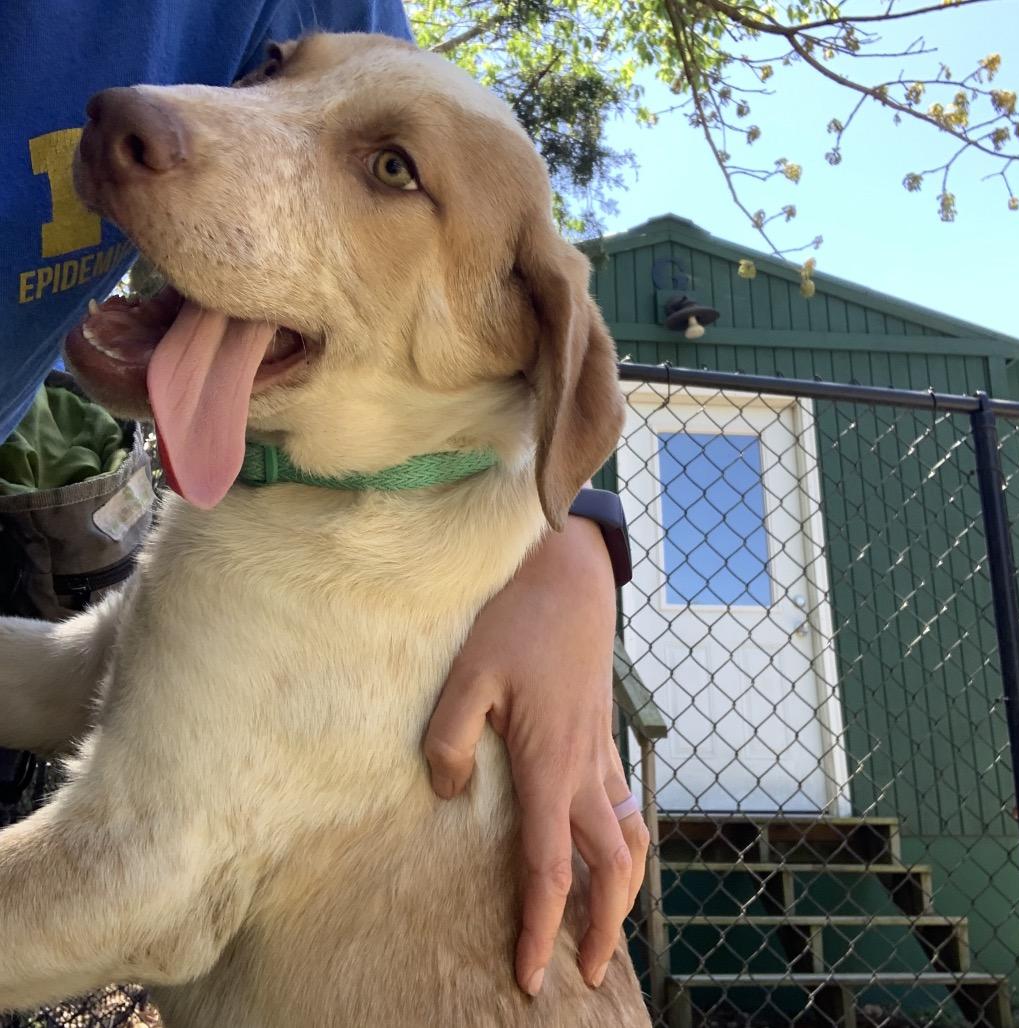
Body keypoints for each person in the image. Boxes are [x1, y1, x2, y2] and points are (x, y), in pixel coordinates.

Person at [1, 0, 647, 1001]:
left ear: (515, 326)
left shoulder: (384, 599)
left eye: (391, 168)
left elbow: (129, 892)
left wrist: (577, 539)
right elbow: (64, 681)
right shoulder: (313, 501)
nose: (173, 115)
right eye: (272, 70)